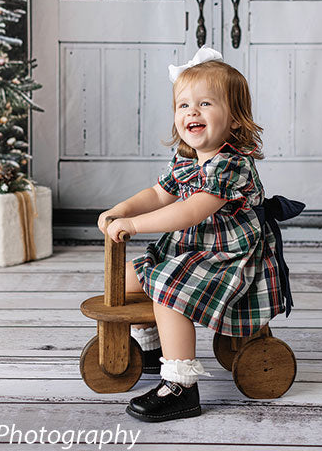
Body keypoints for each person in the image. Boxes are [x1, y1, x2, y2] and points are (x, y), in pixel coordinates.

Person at [98, 47, 304, 422]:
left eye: (205, 103)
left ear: (236, 120)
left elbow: (189, 210)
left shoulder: (230, 164)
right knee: (130, 279)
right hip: (192, 250)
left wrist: (135, 226)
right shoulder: (187, 160)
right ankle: (151, 347)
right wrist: (123, 210)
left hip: (227, 258)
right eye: (183, 105)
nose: (191, 112)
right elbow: (158, 194)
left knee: (168, 289)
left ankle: (181, 385)